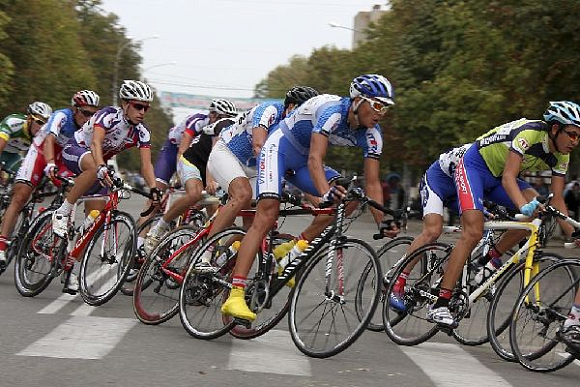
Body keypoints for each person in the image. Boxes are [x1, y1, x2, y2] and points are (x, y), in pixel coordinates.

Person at [220, 74, 398, 322]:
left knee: (351, 197)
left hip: (302, 161)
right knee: (266, 215)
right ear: (358, 101)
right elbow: (315, 159)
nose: (381, 113)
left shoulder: (373, 135)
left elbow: (372, 182)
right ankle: (235, 294)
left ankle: (293, 250)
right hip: (279, 149)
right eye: (378, 105)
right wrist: (324, 193)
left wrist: (383, 220)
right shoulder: (333, 112)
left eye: (386, 108)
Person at [427, 101, 580, 329]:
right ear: (555, 128)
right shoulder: (529, 133)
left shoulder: (561, 156)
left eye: (579, 137)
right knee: (473, 232)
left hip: (496, 177)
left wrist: (574, 232)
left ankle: (489, 260)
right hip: (475, 167)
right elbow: (510, 177)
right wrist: (522, 206)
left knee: (538, 210)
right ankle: (440, 302)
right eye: (572, 134)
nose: (574, 142)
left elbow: (557, 199)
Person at [51, 80, 161, 292]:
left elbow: (146, 165)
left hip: (97, 163)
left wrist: (154, 188)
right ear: (125, 104)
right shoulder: (108, 116)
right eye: (138, 106)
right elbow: (95, 143)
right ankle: (62, 212)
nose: (142, 112)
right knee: (94, 169)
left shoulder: (142, 132)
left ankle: (71, 269)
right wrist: (101, 166)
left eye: (146, 108)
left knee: (93, 221)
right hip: (75, 151)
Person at [195, 86, 319, 272]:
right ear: (292, 107)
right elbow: (259, 146)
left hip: (253, 169)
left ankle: (222, 263)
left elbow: (298, 167)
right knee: (243, 195)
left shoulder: (297, 131)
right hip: (228, 154)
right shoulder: (269, 110)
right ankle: (204, 254)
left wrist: (321, 204)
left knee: (256, 224)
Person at [0, 93, 98, 274]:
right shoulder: (62, 116)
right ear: (75, 109)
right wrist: (50, 163)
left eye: (93, 114)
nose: (89, 118)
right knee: (21, 196)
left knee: (71, 191)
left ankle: (49, 229)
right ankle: (1, 246)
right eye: (85, 113)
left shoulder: (90, 128)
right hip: (42, 150)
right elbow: (50, 140)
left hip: (63, 157)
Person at [138, 98, 238, 250]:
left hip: (204, 162)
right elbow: (182, 150)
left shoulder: (227, 132)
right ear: (212, 115)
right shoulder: (197, 121)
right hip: (175, 152)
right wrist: (179, 175)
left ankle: (207, 248)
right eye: (224, 118)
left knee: (212, 203)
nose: (227, 122)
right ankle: (145, 238)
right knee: (159, 196)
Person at [0, 102, 52, 174]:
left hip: (14, 156)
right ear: (29, 118)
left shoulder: (43, 134)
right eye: (39, 122)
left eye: (45, 124)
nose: (41, 127)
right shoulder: (14, 123)